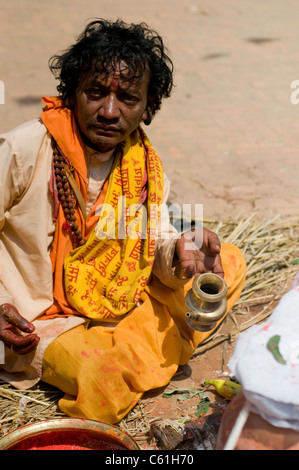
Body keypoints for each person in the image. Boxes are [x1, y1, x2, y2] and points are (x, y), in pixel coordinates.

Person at [0, 19, 246, 423]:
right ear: (73, 94)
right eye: (96, 93)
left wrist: (180, 253)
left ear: (147, 107)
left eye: (128, 99)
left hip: (119, 296)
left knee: (229, 262)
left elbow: (156, 239)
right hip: (41, 318)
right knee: (104, 379)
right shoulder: (22, 150)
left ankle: (132, 345)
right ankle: (141, 349)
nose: (109, 112)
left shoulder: (144, 163)